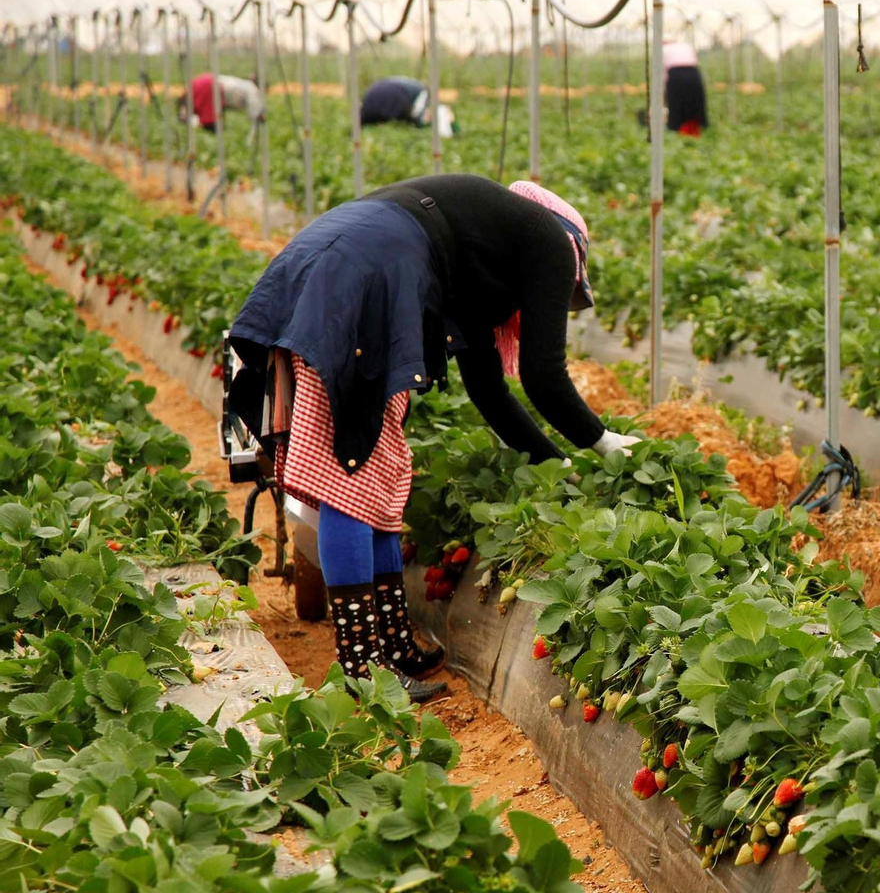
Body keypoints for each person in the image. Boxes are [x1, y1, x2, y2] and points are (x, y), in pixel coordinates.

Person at [226, 174, 641, 702]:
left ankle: (392, 643)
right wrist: (601, 441)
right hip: (369, 274)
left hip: (346, 261)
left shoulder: (481, 250)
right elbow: (543, 376)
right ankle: (364, 668)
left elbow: (489, 391)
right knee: (350, 476)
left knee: (377, 467)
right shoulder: (550, 241)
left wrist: (555, 465)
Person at [361, 76, 457, 138]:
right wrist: (427, 120)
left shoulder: (412, 85)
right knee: (404, 124)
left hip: (370, 97)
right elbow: (418, 116)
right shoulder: (423, 92)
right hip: (396, 97)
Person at [183, 73, 266, 132]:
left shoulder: (244, 84)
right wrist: (259, 117)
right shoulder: (252, 89)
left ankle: (190, 123)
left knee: (206, 115)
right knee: (210, 120)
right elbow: (256, 112)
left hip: (207, 81)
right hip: (212, 88)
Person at [663, 41, 708, 137]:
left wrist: (664, 94)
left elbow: (662, 74)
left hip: (675, 74)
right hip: (693, 73)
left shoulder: (663, 50)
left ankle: (677, 130)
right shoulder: (686, 46)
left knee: (676, 104)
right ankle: (696, 130)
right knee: (695, 102)